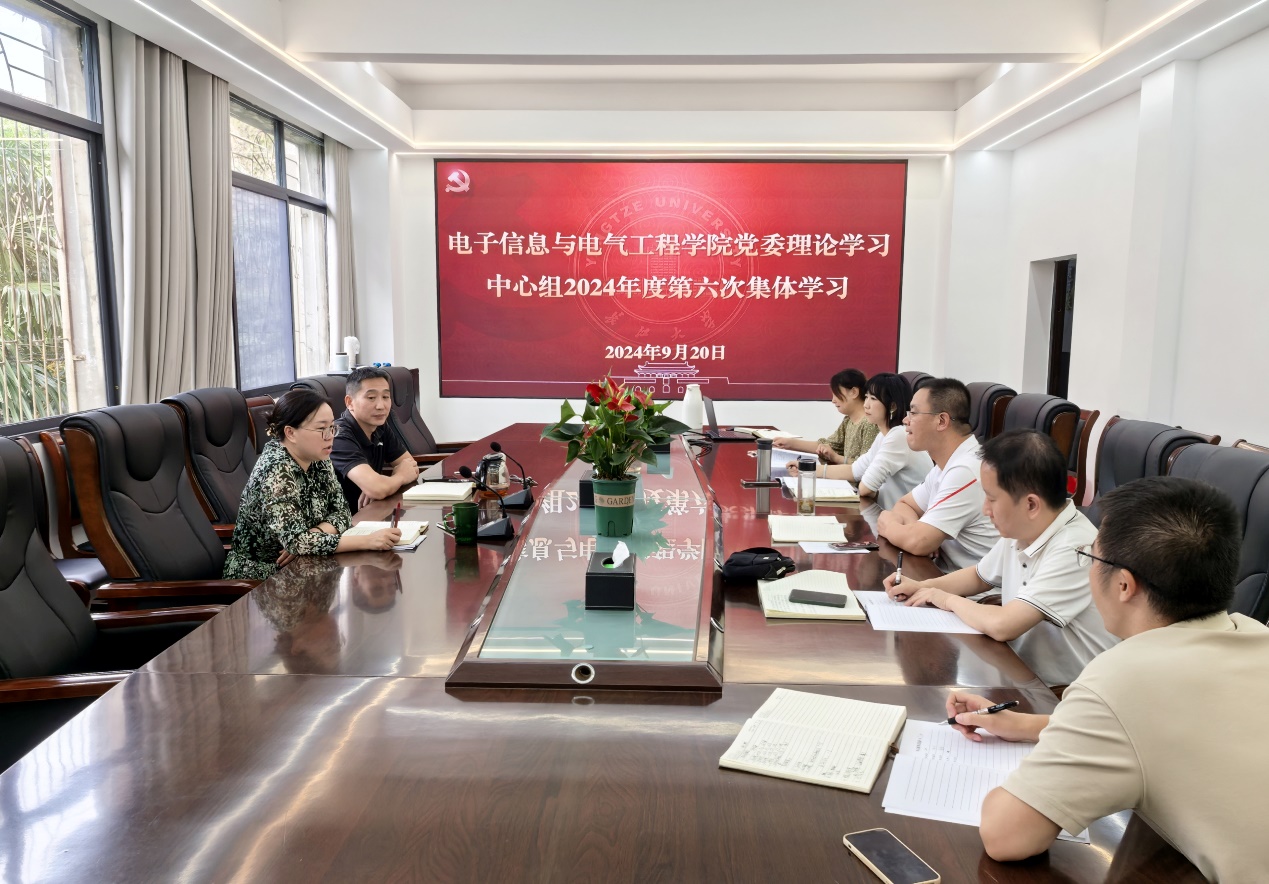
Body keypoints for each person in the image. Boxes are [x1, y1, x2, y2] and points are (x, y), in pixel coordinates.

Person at [946, 477, 1269, 881]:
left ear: (1123, 585)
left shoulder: (1124, 677)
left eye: (1091, 558)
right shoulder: (1253, 633)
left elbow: (1006, 837)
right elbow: (1167, 729)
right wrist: (1026, 726)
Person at [884, 429, 1115, 687]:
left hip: (1062, 692)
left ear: (1031, 505)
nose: (986, 509)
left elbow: (1005, 625)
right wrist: (922, 587)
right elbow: (979, 576)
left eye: (992, 499)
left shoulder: (1075, 547)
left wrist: (945, 599)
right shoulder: (1024, 527)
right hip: (1019, 671)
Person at [223, 388, 401, 581]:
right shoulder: (276, 470)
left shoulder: (318, 457)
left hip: (307, 565)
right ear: (290, 433)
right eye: (321, 429)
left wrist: (314, 534)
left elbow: (342, 512)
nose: (330, 436)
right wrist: (366, 541)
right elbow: (298, 543)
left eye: (332, 427)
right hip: (264, 578)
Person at [876, 378, 999, 570]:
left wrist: (889, 523)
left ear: (941, 421)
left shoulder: (966, 470)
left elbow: (918, 543)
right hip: (940, 575)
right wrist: (914, 530)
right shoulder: (947, 463)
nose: (905, 420)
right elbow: (905, 504)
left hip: (968, 587)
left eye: (914, 413)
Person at [800, 372, 931, 509]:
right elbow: (854, 470)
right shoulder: (884, 436)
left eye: (873, 399)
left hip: (907, 518)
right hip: (891, 513)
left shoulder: (899, 436)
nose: (866, 405)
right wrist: (806, 469)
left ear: (892, 406)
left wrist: (870, 490)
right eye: (866, 397)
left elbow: (865, 488)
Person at [330, 366, 420, 513]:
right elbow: (378, 488)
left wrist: (383, 485)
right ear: (349, 402)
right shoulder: (338, 435)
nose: (381, 406)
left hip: (372, 512)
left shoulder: (380, 426)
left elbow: (411, 466)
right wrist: (384, 484)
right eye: (371, 398)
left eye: (385, 397)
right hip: (344, 520)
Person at [774, 368, 878, 464]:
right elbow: (828, 445)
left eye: (836, 394)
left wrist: (836, 458)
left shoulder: (870, 424)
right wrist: (789, 443)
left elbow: (865, 465)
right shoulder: (848, 420)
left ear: (854, 392)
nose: (833, 400)